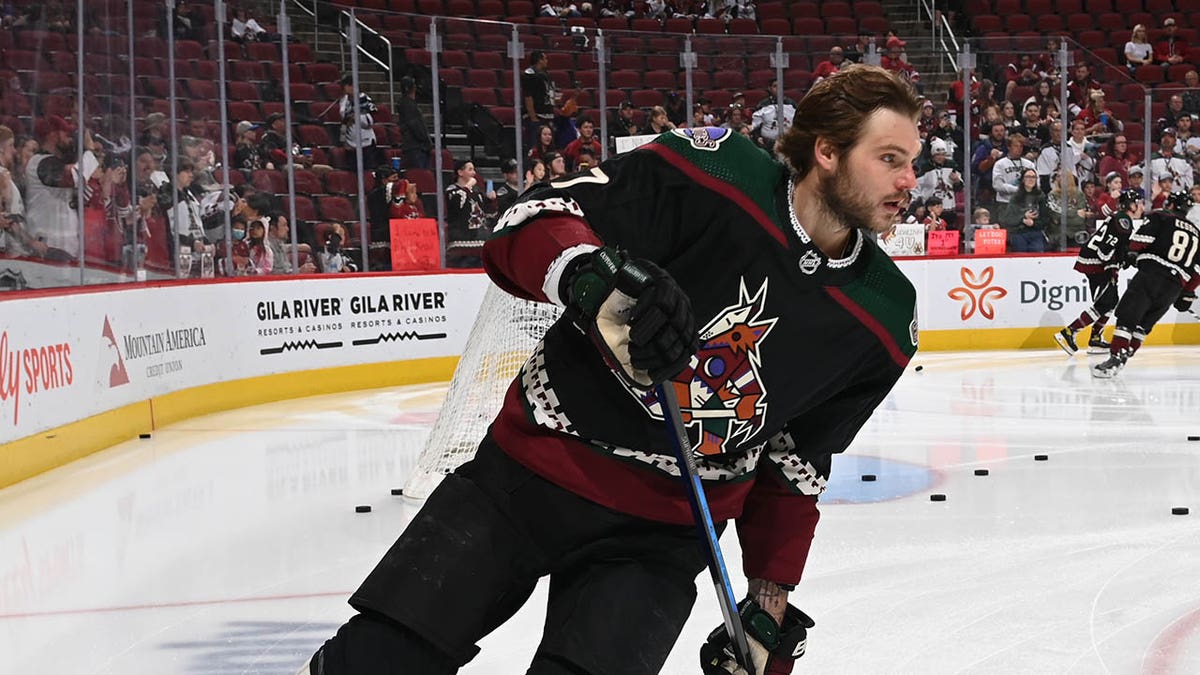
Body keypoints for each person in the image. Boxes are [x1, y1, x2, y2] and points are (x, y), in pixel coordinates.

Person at [300, 64, 922, 675]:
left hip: (660, 538)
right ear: (827, 152)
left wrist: (768, 608)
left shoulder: (885, 317)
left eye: (912, 162)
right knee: (379, 657)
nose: (909, 181)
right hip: (528, 475)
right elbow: (530, 220)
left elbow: (796, 462)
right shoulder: (716, 171)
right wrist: (591, 279)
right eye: (890, 158)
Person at [1093, 191, 1200, 377]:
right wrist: (1187, 293)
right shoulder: (1197, 234)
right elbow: (1197, 271)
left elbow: (1139, 241)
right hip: (1174, 286)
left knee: (1127, 318)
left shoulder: (1161, 217)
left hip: (1152, 275)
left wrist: (1129, 252)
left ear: (1171, 205)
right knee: (1143, 325)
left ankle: (1115, 359)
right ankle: (1125, 355)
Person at [1054, 188, 1143, 356]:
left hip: (1096, 262)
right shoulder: (1123, 221)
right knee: (1105, 303)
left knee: (1111, 301)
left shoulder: (1121, 218)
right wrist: (1112, 269)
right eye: (1136, 203)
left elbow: (1118, 247)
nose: (1139, 206)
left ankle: (1095, 338)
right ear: (1128, 205)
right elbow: (1106, 249)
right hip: (1097, 263)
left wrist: (1125, 259)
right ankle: (1069, 332)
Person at [444, 158, 488, 268]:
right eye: (470, 169)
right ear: (460, 172)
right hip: (461, 245)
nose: (474, 173)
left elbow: (486, 213)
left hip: (480, 242)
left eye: (474, 170)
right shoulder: (451, 191)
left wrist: (492, 200)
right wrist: (467, 187)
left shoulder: (477, 192)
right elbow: (457, 203)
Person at [337, 74, 381, 170]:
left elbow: (370, 119)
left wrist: (356, 117)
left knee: (367, 171)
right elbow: (344, 121)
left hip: (367, 143)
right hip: (351, 144)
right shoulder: (344, 102)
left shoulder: (364, 99)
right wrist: (343, 140)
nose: (343, 89)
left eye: (345, 86)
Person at [397, 75, 432, 170]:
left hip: (415, 146)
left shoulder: (406, 104)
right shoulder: (408, 105)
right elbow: (415, 126)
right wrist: (426, 140)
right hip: (416, 147)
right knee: (420, 174)